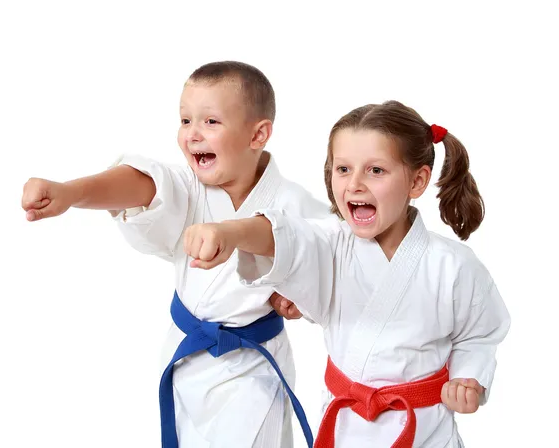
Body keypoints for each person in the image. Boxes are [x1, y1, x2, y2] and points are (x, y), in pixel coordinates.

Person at [21, 61, 331, 448]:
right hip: (186, 356)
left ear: (258, 134)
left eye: (211, 122)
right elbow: (144, 184)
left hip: (251, 370)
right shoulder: (190, 184)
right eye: (185, 121)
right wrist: (71, 193)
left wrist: (295, 290)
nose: (192, 135)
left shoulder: (292, 202)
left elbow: (325, 253)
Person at [183, 100, 511, 447]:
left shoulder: (453, 264)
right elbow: (288, 238)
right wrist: (231, 233)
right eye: (343, 169)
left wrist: (468, 378)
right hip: (345, 428)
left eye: (375, 171)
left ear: (417, 181)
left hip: (424, 432)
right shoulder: (331, 243)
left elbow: (479, 334)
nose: (354, 185)